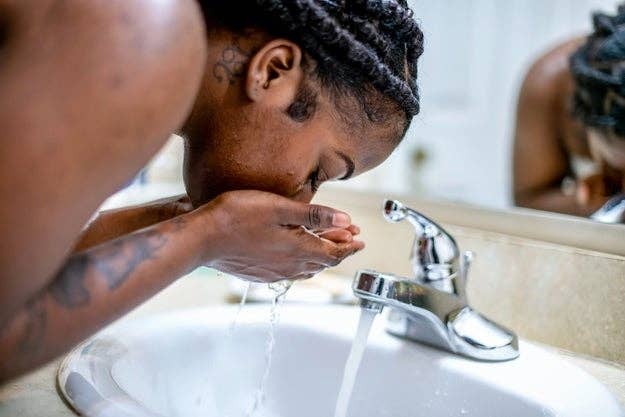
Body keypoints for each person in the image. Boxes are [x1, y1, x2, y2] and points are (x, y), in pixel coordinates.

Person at [0, 0, 424, 382]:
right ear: (273, 70)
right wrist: (211, 234)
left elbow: (24, 277)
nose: (303, 201)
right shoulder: (145, 35)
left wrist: (190, 221)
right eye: (319, 171)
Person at [513, 5, 625, 216]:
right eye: (618, 169)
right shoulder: (547, 85)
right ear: (587, 122)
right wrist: (611, 201)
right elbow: (528, 201)